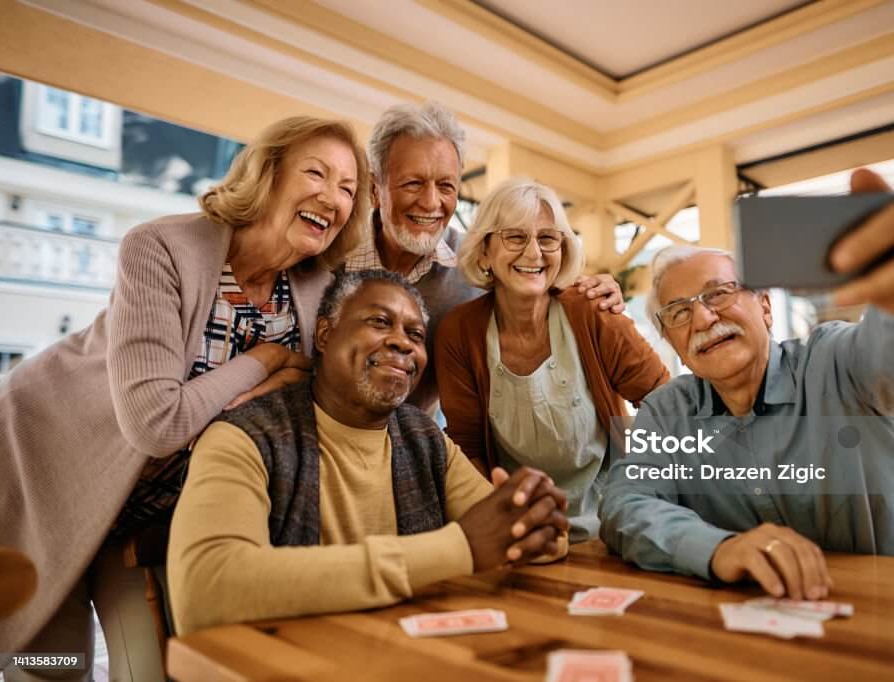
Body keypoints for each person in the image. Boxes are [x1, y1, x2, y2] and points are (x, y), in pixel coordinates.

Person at [0, 116, 371, 680]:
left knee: (155, 669)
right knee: (50, 663)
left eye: (347, 188)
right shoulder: (161, 247)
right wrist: (265, 362)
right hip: (49, 466)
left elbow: (306, 410)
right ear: (267, 176)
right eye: (316, 173)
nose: (332, 197)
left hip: (152, 510)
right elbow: (155, 422)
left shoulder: (316, 293)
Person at [599, 169, 894, 602]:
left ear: (765, 307)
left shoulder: (835, 362)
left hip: (892, 613)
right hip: (758, 630)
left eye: (718, 293)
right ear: (675, 347)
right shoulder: (667, 413)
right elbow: (626, 505)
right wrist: (718, 548)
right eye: (679, 313)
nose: (702, 319)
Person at [167, 270, 568, 634]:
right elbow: (208, 588)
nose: (402, 342)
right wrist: (458, 549)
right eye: (379, 321)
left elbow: (510, 536)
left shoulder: (425, 438)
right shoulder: (243, 437)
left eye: (415, 335)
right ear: (324, 335)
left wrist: (537, 520)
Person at [339, 101, 626, 410]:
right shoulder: (330, 256)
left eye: (446, 186)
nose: (431, 202)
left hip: (417, 441)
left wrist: (592, 291)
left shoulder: (479, 260)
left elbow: (536, 281)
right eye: (413, 183)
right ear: (373, 189)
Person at [436, 178, 670, 543]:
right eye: (515, 237)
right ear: (484, 251)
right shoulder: (458, 332)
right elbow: (468, 448)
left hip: (614, 526)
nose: (534, 254)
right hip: (521, 529)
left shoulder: (593, 310)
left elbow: (665, 402)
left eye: (547, 238)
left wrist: (642, 494)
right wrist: (503, 522)